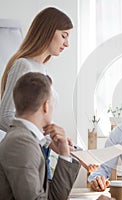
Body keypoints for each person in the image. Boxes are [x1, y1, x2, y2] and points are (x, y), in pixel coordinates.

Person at [0, 7, 73, 179]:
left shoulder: (44, 71)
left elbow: (39, 119)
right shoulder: (23, 65)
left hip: (41, 151)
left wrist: (58, 138)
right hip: (28, 152)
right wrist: (46, 139)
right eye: (64, 35)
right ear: (47, 31)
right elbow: (4, 116)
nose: (67, 43)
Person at [0, 72, 81, 199]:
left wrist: (64, 154)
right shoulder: (21, 143)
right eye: (53, 103)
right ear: (46, 106)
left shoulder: (28, 139)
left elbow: (51, 197)